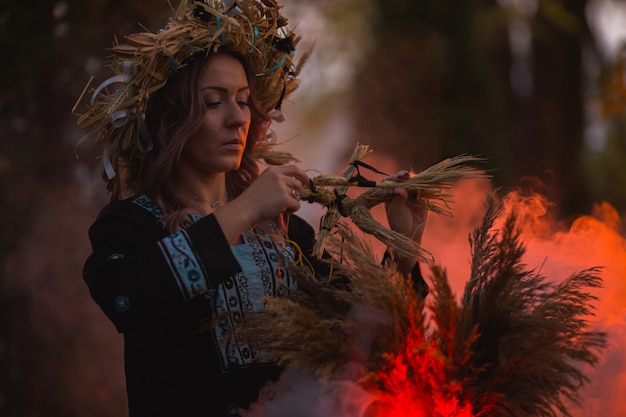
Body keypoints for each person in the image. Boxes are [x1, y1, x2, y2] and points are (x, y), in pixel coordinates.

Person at [77, 1, 428, 416]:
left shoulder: (285, 233)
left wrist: (404, 249)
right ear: (171, 120)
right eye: (214, 102)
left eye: (244, 101)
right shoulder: (130, 224)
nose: (236, 118)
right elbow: (128, 300)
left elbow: (367, 345)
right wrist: (243, 211)